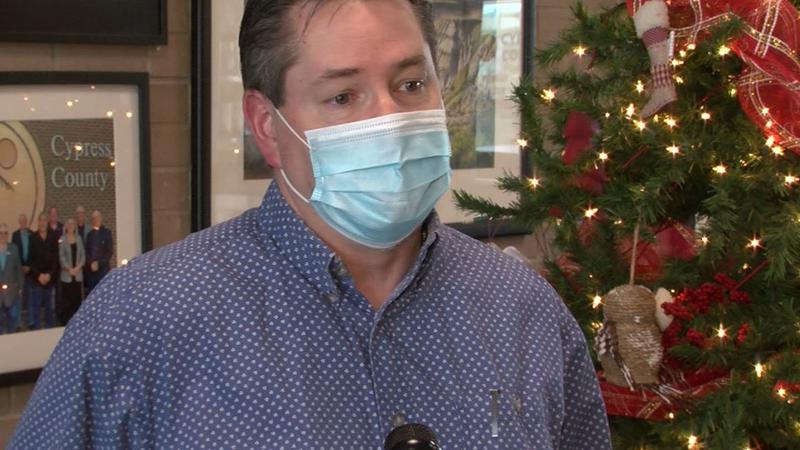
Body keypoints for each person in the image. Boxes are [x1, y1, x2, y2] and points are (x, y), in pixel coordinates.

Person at [9, 1, 612, 448]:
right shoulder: (144, 321)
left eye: (411, 84)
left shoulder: (522, 308)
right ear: (266, 126)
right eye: (343, 97)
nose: (391, 120)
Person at [27, 213, 58, 330]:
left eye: (44, 220)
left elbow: (56, 259)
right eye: (40, 220)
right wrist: (39, 275)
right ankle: (36, 333)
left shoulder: (53, 237)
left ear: (47, 222)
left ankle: (48, 333)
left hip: (50, 280)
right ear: (38, 222)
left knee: (49, 310)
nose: (42, 223)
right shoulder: (32, 238)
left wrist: (49, 275)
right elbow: (31, 261)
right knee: (36, 310)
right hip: (37, 280)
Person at [57, 219, 85, 326]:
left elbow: (82, 255)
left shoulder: (79, 238)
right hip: (67, 275)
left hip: (77, 275)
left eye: (72, 224)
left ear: (75, 226)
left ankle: (76, 322)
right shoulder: (62, 239)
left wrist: (78, 268)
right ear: (66, 226)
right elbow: (61, 256)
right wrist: (69, 269)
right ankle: (66, 322)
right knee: (67, 300)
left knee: (77, 299)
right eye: (68, 224)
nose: (70, 226)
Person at [0, 224, 23, 334]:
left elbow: (18, 268)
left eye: (5, 233)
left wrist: (20, 286)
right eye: (1, 233)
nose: (3, 235)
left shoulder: (14, 248)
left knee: (12, 318)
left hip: (11, 291)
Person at [83, 210, 113, 296]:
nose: (95, 220)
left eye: (96, 218)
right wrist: (91, 263)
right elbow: (86, 251)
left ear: (100, 218)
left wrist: (98, 263)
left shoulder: (107, 233)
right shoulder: (89, 235)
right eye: (93, 218)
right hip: (91, 272)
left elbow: (109, 252)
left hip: (103, 271)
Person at [11, 214, 32, 331]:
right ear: (19, 222)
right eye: (21, 221)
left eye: (25, 221)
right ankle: (18, 322)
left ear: (26, 222)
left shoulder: (31, 234)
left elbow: (33, 251)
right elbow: (14, 253)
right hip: (19, 270)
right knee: (19, 296)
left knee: (30, 296)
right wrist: (21, 266)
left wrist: (29, 266)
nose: (23, 223)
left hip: (30, 270)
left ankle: (30, 321)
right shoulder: (15, 235)